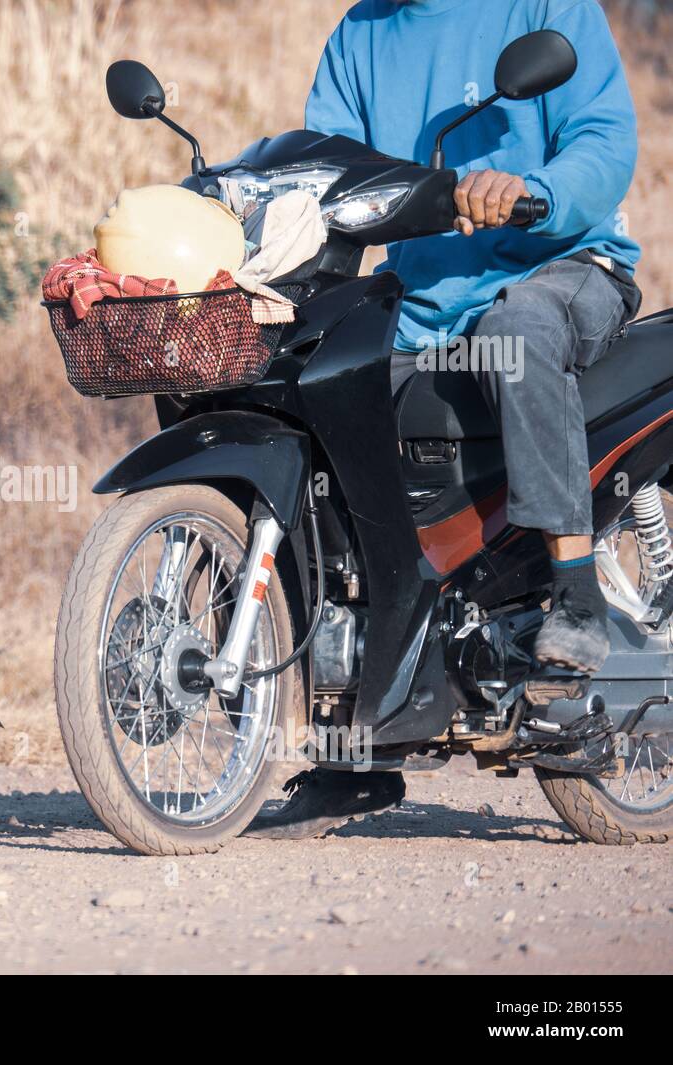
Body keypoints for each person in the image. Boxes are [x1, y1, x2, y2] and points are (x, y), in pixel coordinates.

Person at [247, 0, 643, 839]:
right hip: (427, 304)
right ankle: (356, 738)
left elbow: (607, 145)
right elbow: (326, 175)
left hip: (565, 266)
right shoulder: (359, 36)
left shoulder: (545, 7)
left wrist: (534, 193)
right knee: (319, 391)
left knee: (518, 334)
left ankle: (574, 595)